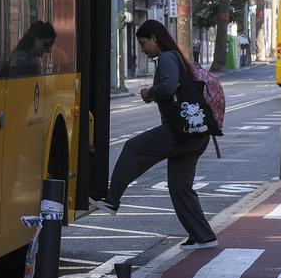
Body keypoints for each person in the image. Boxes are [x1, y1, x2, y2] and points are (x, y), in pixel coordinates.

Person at [89, 20, 217, 250]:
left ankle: (112, 199)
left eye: (143, 43)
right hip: (197, 134)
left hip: (181, 132)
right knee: (180, 186)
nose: (142, 49)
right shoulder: (176, 57)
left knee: (133, 148)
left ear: (154, 39)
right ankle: (203, 236)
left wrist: (150, 92)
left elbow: (167, 87)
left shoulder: (167, 58)